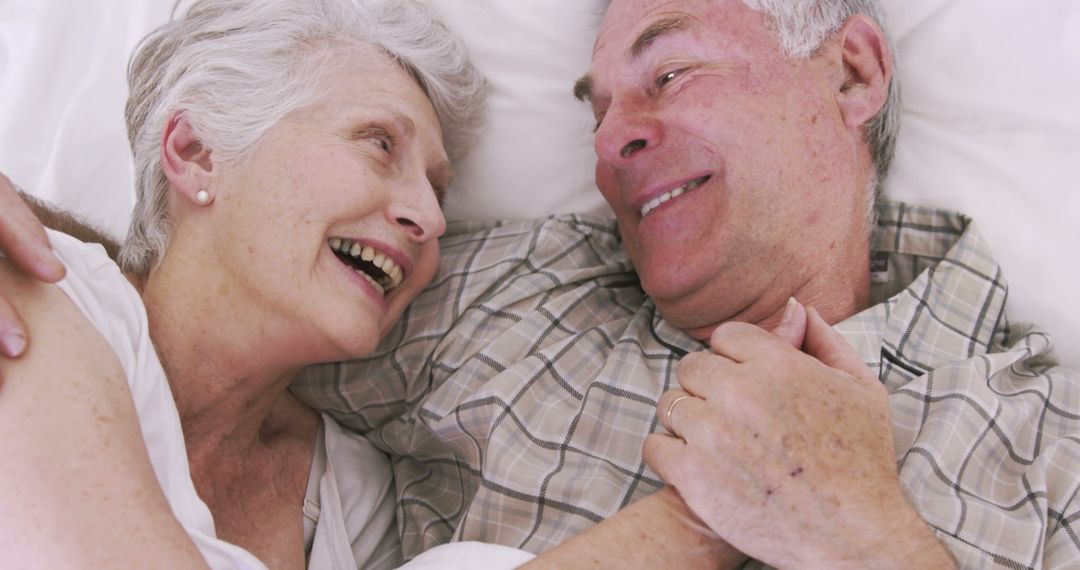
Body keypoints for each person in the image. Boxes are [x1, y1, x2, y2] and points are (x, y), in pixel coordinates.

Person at [3, 0, 1078, 569]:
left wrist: (865, 540)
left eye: (668, 72)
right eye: (592, 112)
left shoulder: (1043, 434)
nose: (613, 143)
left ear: (851, 72)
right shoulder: (504, 296)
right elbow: (194, 305)